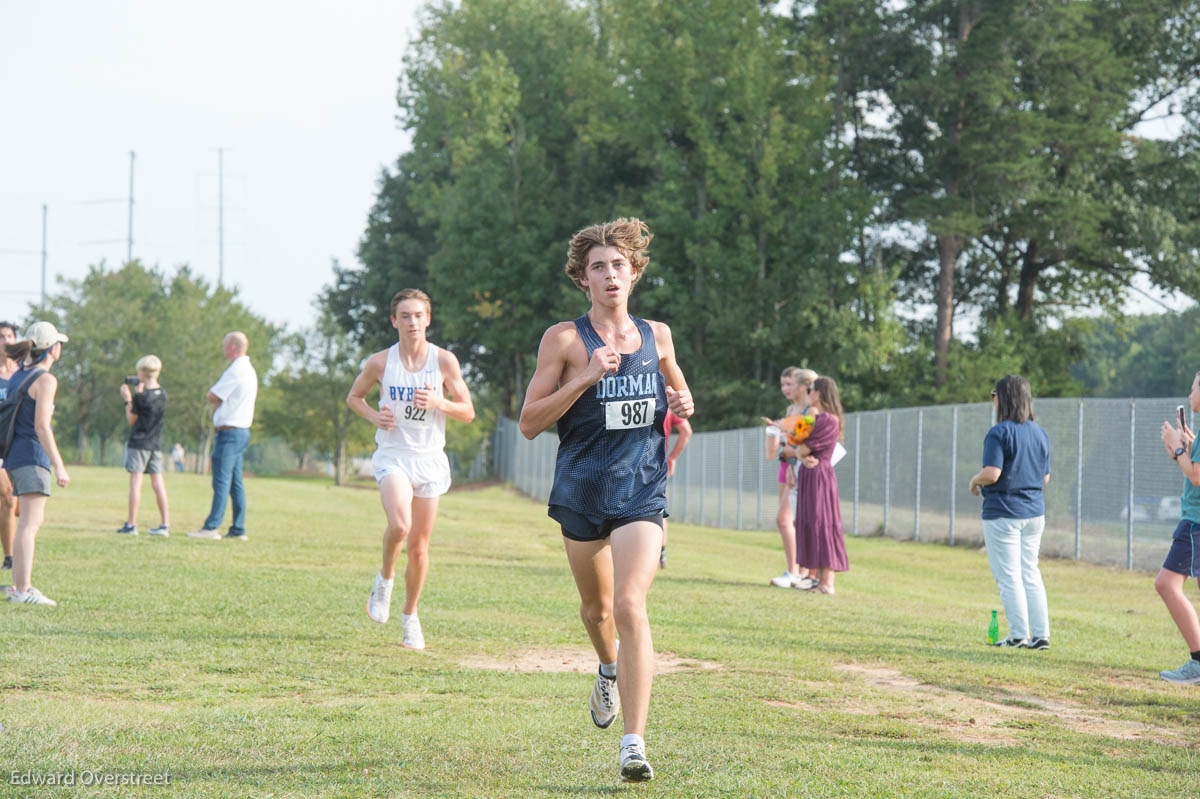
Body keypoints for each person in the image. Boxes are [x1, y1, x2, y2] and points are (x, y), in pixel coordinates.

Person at [519, 217, 694, 783]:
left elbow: (679, 391)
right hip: (581, 488)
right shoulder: (564, 341)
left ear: (635, 272)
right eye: (599, 267)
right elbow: (528, 423)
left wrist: (683, 402)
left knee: (629, 605)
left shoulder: (658, 334)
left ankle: (634, 743)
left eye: (619, 264)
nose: (610, 274)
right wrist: (585, 379)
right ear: (583, 280)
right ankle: (608, 668)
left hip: (641, 490)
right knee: (597, 612)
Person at [348, 289, 475, 650]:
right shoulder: (380, 362)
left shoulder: (445, 361)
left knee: (419, 547)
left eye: (418, 315)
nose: (412, 322)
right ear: (394, 321)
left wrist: (440, 402)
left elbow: (468, 411)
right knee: (400, 525)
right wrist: (375, 415)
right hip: (394, 455)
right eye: (405, 316)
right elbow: (354, 397)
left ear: (428, 319)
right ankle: (385, 578)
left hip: (430, 459)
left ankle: (410, 617)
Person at [968, 375, 1051, 649]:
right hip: (1034, 512)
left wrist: (974, 480)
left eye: (995, 394)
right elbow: (1045, 478)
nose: (992, 399)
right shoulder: (1040, 432)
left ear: (1003, 398)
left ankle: (1017, 635)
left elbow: (992, 473)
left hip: (1004, 512)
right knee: (1030, 572)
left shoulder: (998, 432)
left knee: (1009, 576)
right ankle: (1040, 636)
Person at [3, 322, 70, 606]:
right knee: (29, 524)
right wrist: (59, 465)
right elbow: (42, 427)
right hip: (32, 456)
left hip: (14, 457)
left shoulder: (20, 374)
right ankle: (23, 588)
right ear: (53, 348)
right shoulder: (45, 379)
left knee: (28, 524)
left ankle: (19, 585)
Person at [188, 332, 258, 542]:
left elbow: (213, 395)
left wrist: (218, 401)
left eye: (224, 345)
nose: (222, 348)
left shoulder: (236, 370)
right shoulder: (249, 370)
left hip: (229, 432)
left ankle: (211, 526)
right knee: (235, 483)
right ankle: (238, 528)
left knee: (221, 480)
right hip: (241, 432)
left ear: (233, 347)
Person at [1155, 372, 1200, 684]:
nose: (1190, 393)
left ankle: (1198, 662)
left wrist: (1178, 449)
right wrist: (1183, 450)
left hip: (1195, 523)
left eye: (1194, 387)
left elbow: (1197, 477)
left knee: (1166, 585)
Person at [793, 375, 847, 595]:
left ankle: (827, 582)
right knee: (811, 523)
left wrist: (803, 454)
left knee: (823, 524)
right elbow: (799, 449)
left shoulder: (827, 420)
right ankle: (817, 579)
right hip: (811, 475)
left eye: (811, 389)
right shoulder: (818, 418)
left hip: (820, 478)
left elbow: (803, 448)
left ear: (820, 393)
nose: (809, 393)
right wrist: (803, 456)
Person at [769, 367, 818, 589]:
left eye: (794, 383)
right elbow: (791, 443)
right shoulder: (792, 409)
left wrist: (791, 454)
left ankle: (798, 572)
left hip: (804, 469)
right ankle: (799, 571)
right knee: (790, 520)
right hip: (791, 467)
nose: (790, 387)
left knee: (787, 519)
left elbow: (801, 444)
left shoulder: (811, 411)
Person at [117, 355, 170, 536]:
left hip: (139, 442)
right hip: (155, 444)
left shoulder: (141, 397)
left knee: (136, 483)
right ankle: (165, 524)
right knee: (158, 483)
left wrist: (128, 399)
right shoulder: (163, 394)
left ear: (143, 372)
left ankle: (131, 524)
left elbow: (132, 420)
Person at [659, 409, 692, 568]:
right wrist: (672, 457)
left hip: (625, 461)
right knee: (657, 509)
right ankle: (661, 553)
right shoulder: (668, 403)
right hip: (656, 465)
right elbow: (686, 431)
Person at [0, 321, 19, 570]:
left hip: (16, 445)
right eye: (1, 336)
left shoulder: (22, 373)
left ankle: (10, 555)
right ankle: (11, 557)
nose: (5, 340)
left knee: (11, 503)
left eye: (9, 336)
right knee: (7, 496)